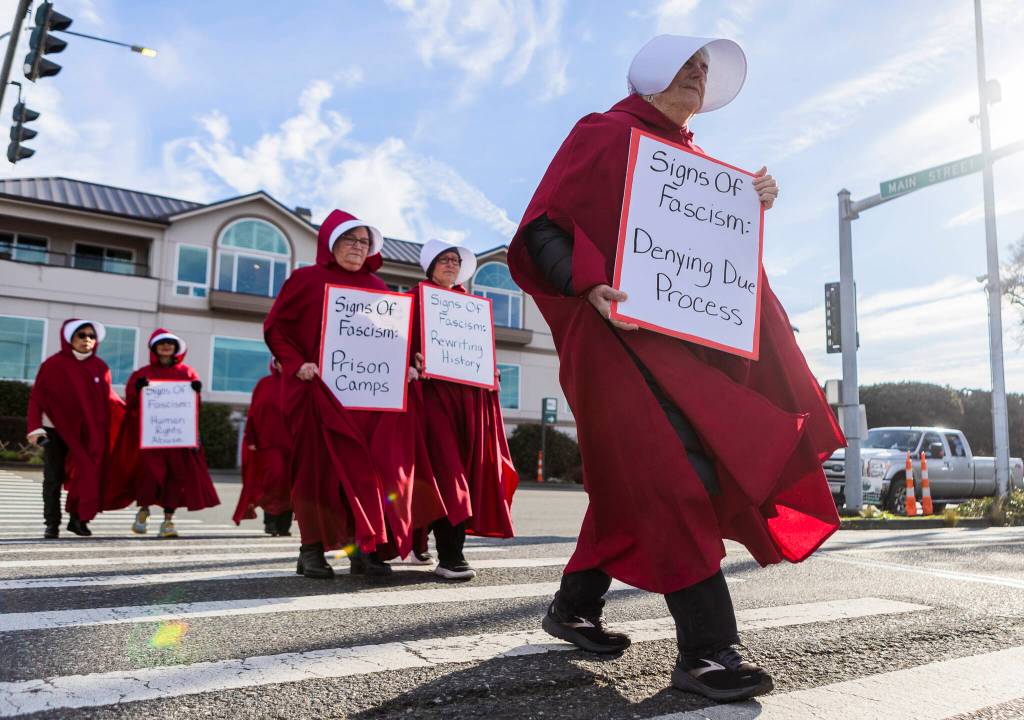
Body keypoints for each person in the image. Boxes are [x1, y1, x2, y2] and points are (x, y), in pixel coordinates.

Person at [507, 35, 845, 702]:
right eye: (687, 66)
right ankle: (708, 651)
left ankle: (573, 606)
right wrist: (590, 285)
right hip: (615, 340)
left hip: (686, 351)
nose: (697, 77)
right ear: (654, 72)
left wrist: (751, 203)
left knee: (645, 478)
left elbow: (717, 269)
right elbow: (543, 228)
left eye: (703, 70)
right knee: (673, 474)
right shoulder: (602, 133)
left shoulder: (700, 169)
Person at [264, 209, 445, 579]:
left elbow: (391, 340)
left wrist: (409, 362)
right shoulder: (304, 280)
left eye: (364, 242)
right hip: (317, 394)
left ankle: (363, 549)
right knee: (316, 474)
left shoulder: (379, 288)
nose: (357, 247)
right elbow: (276, 327)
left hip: (367, 400)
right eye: (350, 240)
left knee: (366, 476)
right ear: (331, 243)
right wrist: (297, 363)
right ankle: (310, 549)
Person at [411, 239, 519, 580]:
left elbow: (479, 351)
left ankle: (423, 539)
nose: (451, 264)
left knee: (463, 473)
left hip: (470, 402)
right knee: (445, 471)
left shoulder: (471, 306)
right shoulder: (414, 299)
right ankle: (451, 554)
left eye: (455, 260)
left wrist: (491, 370)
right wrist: (410, 361)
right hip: (431, 399)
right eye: (444, 259)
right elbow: (395, 346)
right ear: (430, 265)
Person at [106, 329, 220, 538]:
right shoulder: (141, 374)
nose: (166, 346)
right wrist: (138, 390)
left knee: (175, 479)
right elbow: (131, 404)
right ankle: (144, 510)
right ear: (154, 348)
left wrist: (195, 391)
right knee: (149, 476)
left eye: (170, 343)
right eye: (162, 343)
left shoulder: (187, 373)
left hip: (178, 439)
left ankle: (168, 521)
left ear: (176, 348)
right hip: (152, 438)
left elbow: (192, 408)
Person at [26, 319, 125, 539]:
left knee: (87, 474)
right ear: (69, 338)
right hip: (54, 430)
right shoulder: (53, 364)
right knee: (54, 476)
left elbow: (108, 400)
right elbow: (37, 399)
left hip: (88, 432)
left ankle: (78, 519)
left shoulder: (101, 367)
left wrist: (131, 415)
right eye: (81, 335)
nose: (87, 339)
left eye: (91, 336)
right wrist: (35, 428)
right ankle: (52, 523)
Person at [233, 359, 294, 536]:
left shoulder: (300, 384)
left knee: (291, 485)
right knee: (274, 479)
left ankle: (284, 526)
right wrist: (250, 436)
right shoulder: (264, 384)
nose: (283, 363)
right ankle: (271, 522)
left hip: (294, 444)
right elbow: (253, 412)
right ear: (274, 363)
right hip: (268, 444)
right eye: (279, 360)